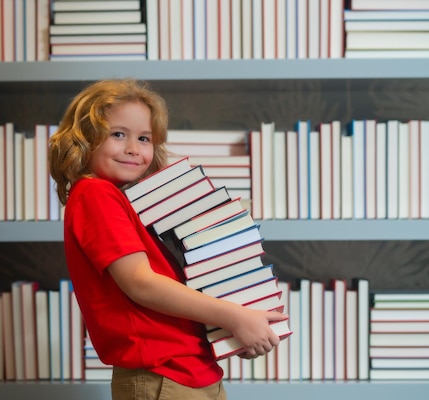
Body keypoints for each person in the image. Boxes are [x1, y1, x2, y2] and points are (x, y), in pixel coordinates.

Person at [48, 79, 287, 400]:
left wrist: (229, 333)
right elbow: (141, 283)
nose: (133, 148)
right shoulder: (95, 193)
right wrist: (235, 317)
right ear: (84, 138)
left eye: (144, 138)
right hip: (160, 376)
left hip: (191, 371)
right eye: (118, 134)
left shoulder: (128, 203)